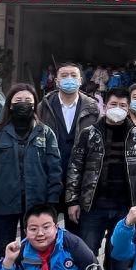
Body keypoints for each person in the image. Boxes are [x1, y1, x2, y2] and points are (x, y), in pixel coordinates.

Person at [66, 87, 136, 270]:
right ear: (104, 106)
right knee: (88, 251)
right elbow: (75, 168)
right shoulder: (89, 133)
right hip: (93, 204)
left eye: (123, 105)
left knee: (119, 252)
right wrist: (72, 201)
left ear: (129, 107)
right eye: (113, 104)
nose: (118, 108)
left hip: (125, 206)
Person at [0, 85, 62, 252]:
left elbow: (54, 169)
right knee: (2, 249)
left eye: (28, 101)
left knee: (35, 249)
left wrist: (53, 199)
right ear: (10, 105)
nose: (23, 104)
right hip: (3, 203)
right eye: (18, 100)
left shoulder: (45, 133)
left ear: (34, 104)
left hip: (36, 203)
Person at [35, 62, 100, 206]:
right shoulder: (44, 107)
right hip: (49, 177)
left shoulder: (92, 108)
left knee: (75, 226)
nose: (69, 79)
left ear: (80, 80)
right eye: (64, 76)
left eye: (73, 75)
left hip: (80, 180)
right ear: (57, 81)